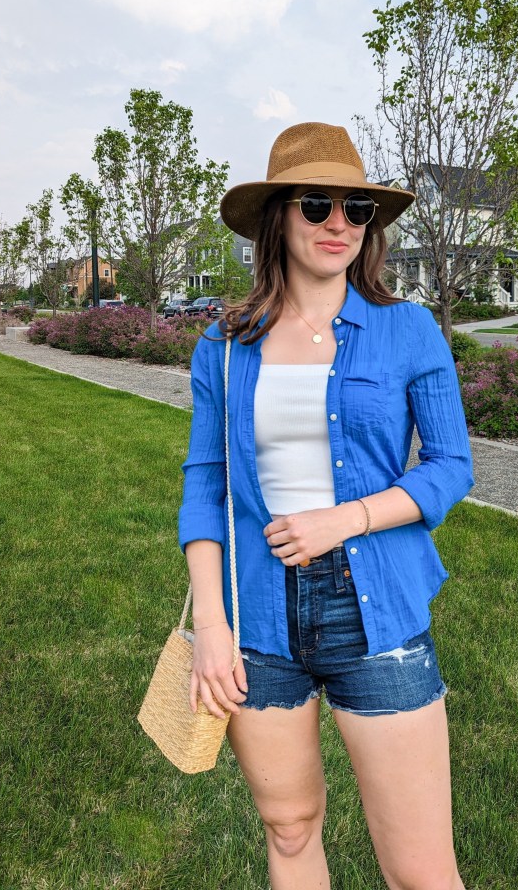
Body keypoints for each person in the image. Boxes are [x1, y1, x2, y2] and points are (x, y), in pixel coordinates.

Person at [178, 122, 474, 890]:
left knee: (418, 871)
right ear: (277, 216)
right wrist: (211, 629)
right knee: (288, 828)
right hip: (259, 623)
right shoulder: (225, 343)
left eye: (356, 208)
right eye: (316, 204)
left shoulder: (406, 330)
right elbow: (204, 485)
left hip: (375, 610)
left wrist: (346, 518)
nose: (338, 222)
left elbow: (450, 466)